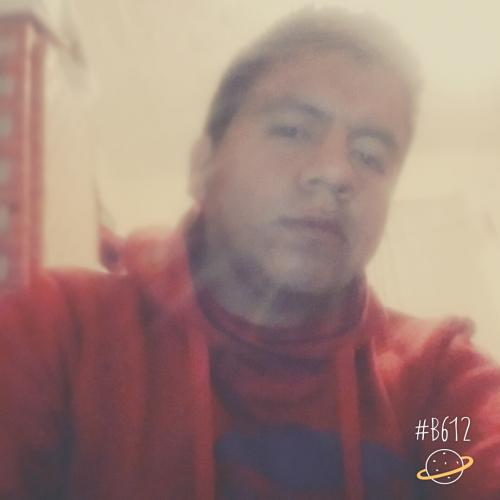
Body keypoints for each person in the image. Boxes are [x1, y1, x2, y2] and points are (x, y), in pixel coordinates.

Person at [1, 7, 499, 500]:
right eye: (292, 130)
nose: (336, 172)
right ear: (203, 168)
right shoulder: (57, 330)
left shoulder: (437, 381)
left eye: (370, 155)